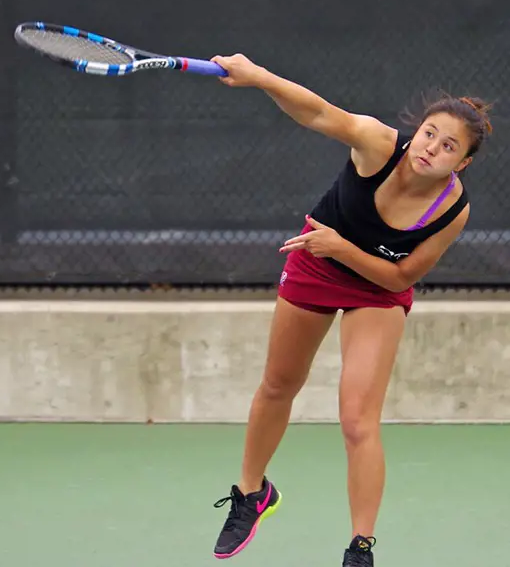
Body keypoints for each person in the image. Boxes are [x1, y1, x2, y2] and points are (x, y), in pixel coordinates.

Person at [207, 53, 493, 566]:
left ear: (463, 163)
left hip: (376, 286)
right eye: (430, 133)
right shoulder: (378, 142)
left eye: (449, 146)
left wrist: (343, 248)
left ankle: (360, 547)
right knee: (278, 384)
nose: (432, 148)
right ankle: (252, 493)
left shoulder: (454, 209)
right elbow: (316, 112)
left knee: (359, 421)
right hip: (316, 261)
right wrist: (257, 77)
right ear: (417, 130)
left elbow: (402, 276)